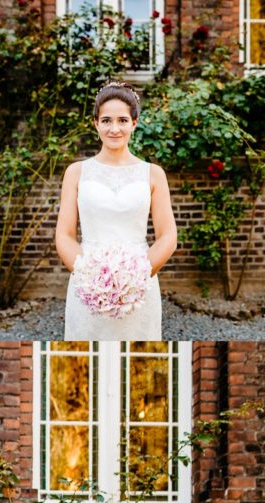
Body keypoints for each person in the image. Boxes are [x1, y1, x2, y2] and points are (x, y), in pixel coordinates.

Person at [55, 81, 177, 341]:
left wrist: (137, 276)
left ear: (134, 123)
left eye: (122, 120)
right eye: (106, 120)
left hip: (139, 287)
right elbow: (64, 235)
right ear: (95, 124)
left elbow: (167, 236)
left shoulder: (153, 174)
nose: (114, 129)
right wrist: (88, 276)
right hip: (88, 284)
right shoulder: (76, 173)